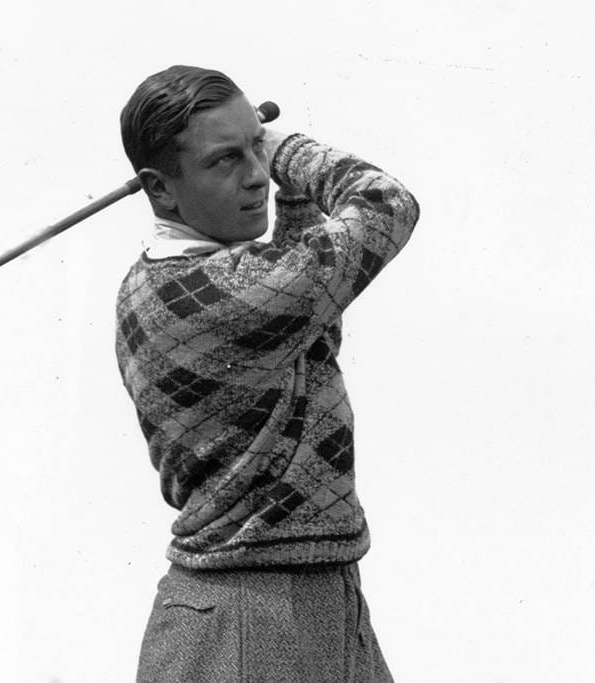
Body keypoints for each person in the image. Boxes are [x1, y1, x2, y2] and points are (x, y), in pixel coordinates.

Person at [115, 65, 419, 682]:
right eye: (225, 160)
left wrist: (286, 186)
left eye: (257, 146)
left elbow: (312, 320)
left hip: (308, 598)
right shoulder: (224, 292)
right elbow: (387, 204)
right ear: (160, 188)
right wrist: (289, 151)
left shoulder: (191, 279)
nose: (256, 176)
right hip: (244, 623)